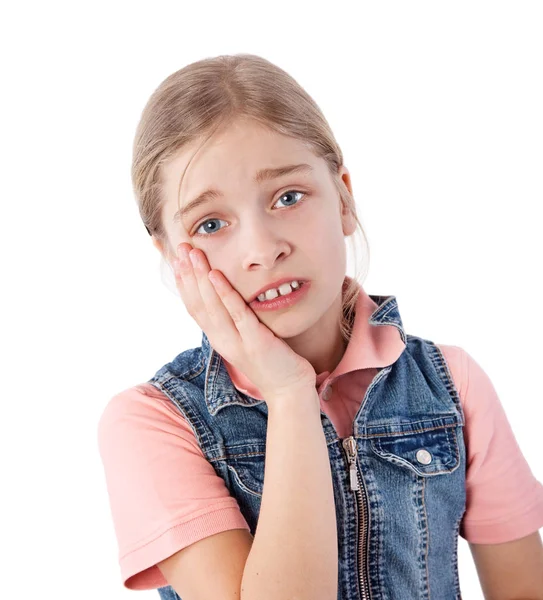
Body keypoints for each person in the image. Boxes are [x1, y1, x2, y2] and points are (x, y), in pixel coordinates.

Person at [97, 54, 543, 599]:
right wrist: (289, 395)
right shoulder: (154, 423)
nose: (263, 249)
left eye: (288, 197)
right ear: (171, 255)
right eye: (211, 224)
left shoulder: (450, 384)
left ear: (344, 199)